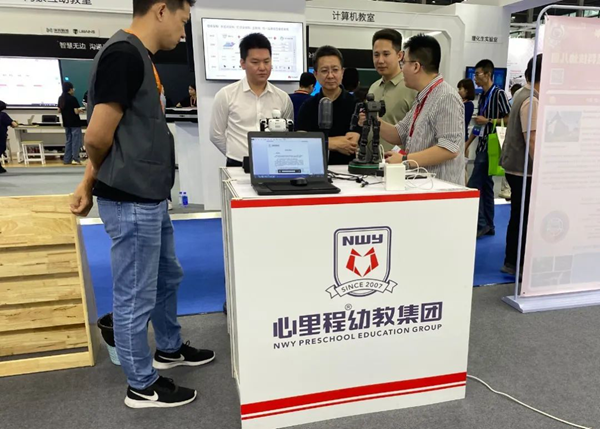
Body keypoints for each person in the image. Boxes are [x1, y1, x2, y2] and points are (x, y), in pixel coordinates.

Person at [70, 0, 214, 409]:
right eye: (183, 21)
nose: (183, 33)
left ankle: (168, 347)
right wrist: (90, 181)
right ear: (162, 10)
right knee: (135, 293)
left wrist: (89, 181)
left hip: (148, 196)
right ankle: (141, 384)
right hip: (130, 198)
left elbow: (116, 135)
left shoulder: (139, 57)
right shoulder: (123, 55)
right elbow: (97, 136)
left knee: (167, 276)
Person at [364, 34, 465, 185]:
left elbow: (449, 148)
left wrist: (404, 159)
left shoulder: (446, 97)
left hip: (441, 190)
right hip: (423, 186)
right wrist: (373, 120)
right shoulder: (422, 97)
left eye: (404, 62)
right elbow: (400, 133)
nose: (402, 68)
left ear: (416, 66)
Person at [210, 33, 293, 167]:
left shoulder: (282, 98)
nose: (262, 67)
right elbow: (216, 135)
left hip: (272, 164)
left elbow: (287, 135)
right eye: (255, 62)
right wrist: (234, 154)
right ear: (242, 63)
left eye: (266, 61)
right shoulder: (226, 95)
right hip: (238, 164)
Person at [500, 55, 542, 276]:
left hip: (516, 167)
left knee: (519, 215)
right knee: (523, 217)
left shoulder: (520, 94)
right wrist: (542, 170)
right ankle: (515, 262)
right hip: (523, 170)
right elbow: (532, 139)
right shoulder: (531, 100)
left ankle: (513, 261)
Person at [465, 59, 511, 238]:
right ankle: (489, 225)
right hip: (482, 145)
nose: (475, 78)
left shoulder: (499, 94)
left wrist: (489, 121)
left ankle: (481, 224)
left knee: (473, 186)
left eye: (477, 74)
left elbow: (509, 118)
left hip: (492, 145)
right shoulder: (483, 96)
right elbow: (479, 125)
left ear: (488, 74)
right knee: (486, 186)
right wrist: (468, 143)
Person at [296, 45, 360, 165]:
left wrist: (317, 141)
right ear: (315, 74)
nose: (330, 75)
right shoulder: (307, 106)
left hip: (348, 170)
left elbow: (352, 143)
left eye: (335, 70)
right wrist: (332, 143)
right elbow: (301, 142)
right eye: (324, 71)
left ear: (342, 72)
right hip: (314, 168)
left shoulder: (356, 105)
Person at [369, 29, 417, 151]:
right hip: (370, 159)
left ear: (400, 55)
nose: (380, 60)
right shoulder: (373, 87)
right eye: (376, 55)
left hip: (399, 161)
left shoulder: (412, 88)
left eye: (386, 54)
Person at [58, 81, 85, 165]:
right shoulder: (73, 99)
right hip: (74, 123)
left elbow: (59, 110)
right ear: (70, 89)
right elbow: (76, 111)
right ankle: (75, 158)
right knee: (76, 141)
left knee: (68, 141)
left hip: (66, 122)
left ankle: (67, 159)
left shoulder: (61, 98)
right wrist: (81, 110)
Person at [0, 100, 18, 174]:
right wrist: (15, 122)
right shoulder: (3, 115)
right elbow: (14, 125)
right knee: (1, 148)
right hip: (0, 136)